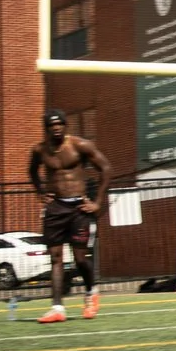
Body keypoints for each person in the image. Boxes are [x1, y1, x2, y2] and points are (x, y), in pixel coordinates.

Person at [27, 110, 110, 323]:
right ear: (46, 128)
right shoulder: (40, 150)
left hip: (78, 208)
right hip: (55, 207)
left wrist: (97, 202)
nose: (56, 128)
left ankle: (91, 293)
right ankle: (57, 308)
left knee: (80, 258)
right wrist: (40, 191)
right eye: (52, 125)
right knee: (55, 258)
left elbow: (106, 168)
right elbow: (32, 171)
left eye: (59, 124)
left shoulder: (79, 145)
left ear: (65, 126)